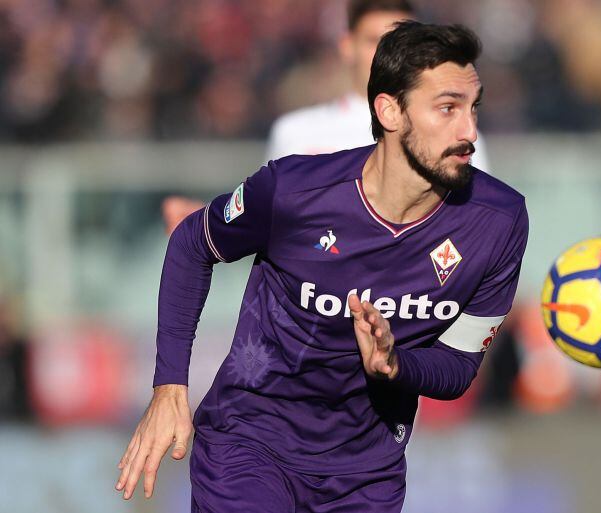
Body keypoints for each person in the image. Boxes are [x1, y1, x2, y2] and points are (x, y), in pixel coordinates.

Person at [116, 21, 528, 513]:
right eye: (448, 109)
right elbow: (191, 243)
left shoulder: (499, 221)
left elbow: (459, 365)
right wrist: (169, 389)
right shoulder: (295, 191)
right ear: (390, 111)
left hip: (366, 474)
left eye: (473, 108)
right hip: (251, 442)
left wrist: (396, 365)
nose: (470, 133)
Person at [161, 0, 491, 234]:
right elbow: (269, 227)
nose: (390, 54)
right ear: (347, 46)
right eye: (376, 41)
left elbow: (477, 233)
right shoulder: (297, 132)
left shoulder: (456, 133)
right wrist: (206, 223)